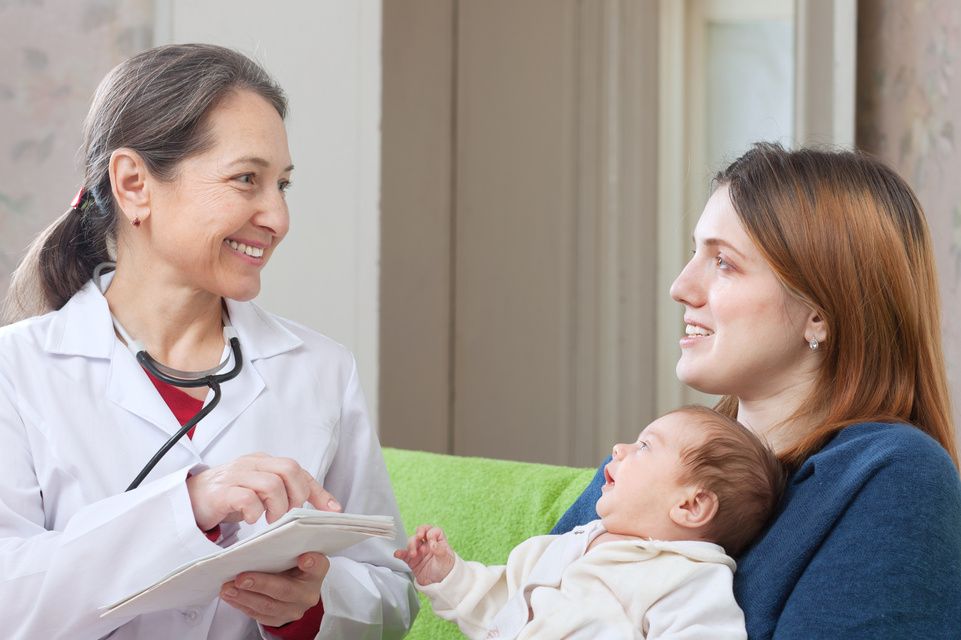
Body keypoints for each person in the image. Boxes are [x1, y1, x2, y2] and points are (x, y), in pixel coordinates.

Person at [0, 44, 416, 639]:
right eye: (247, 179)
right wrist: (186, 507)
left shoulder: (321, 370)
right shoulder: (15, 372)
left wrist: (312, 606)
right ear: (134, 184)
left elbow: (390, 594)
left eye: (283, 185)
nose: (278, 217)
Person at [553, 143, 961, 638]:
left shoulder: (893, 476)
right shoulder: (656, 459)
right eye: (694, 253)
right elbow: (520, 606)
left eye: (723, 262)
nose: (681, 287)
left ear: (818, 311)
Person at [396, 405, 786, 639]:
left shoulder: (685, 576)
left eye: (646, 446)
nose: (620, 448)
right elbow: (499, 605)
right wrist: (447, 575)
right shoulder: (562, 548)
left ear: (691, 506)